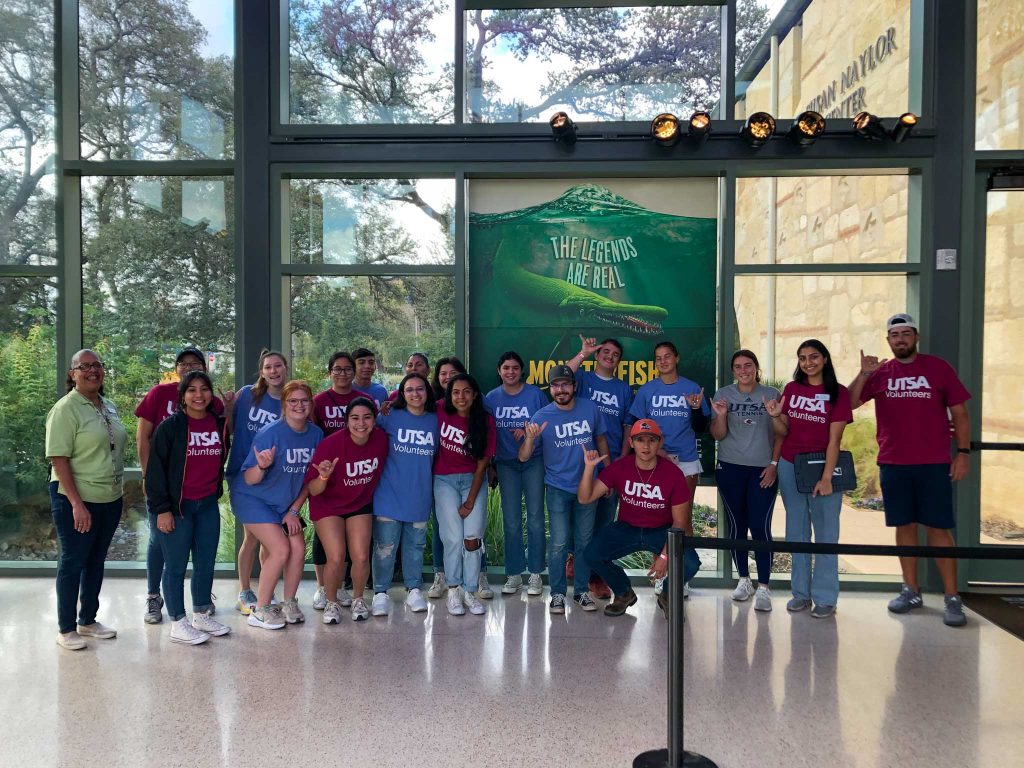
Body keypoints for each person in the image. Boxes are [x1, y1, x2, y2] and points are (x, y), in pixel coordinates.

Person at [848, 313, 972, 627]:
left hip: (933, 463)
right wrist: (863, 374)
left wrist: (963, 454)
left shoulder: (938, 368)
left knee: (937, 529)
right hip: (893, 462)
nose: (900, 339)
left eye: (906, 333)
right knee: (904, 527)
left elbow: (960, 413)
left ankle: (951, 596)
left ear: (915, 337)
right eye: (894, 335)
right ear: (888, 340)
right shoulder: (880, 373)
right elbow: (848, 404)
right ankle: (911, 590)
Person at [136, 346, 228, 625]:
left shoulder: (217, 422)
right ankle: (178, 620)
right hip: (177, 506)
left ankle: (201, 612)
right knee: (174, 564)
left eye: (204, 389)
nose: (198, 395)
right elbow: (155, 467)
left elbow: (222, 453)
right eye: (192, 390)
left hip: (207, 505)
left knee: (205, 562)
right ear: (182, 395)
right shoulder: (170, 427)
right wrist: (161, 507)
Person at [765, 339, 852, 619]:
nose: (808, 362)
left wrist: (827, 477)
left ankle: (826, 597)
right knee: (797, 531)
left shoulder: (837, 393)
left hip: (823, 466)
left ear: (825, 359)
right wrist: (775, 416)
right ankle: (800, 594)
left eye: (813, 357)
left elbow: (834, 440)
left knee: (827, 533)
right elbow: (783, 430)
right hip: (792, 466)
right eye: (802, 358)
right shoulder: (792, 389)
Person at [46, 349, 127, 651]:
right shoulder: (66, 409)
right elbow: (58, 458)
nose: (93, 371)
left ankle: (88, 620)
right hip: (75, 498)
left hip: (109, 496)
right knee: (73, 560)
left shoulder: (108, 406)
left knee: (96, 560)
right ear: (72, 374)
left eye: (97, 365)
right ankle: (66, 628)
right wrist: (77, 504)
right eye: (85, 367)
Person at [520, 364, 609, 614]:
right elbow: (524, 457)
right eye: (556, 385)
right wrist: (529, 438)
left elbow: (601, 439)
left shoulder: (589, 408)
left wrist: (608, 475)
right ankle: (557, 594)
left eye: (565, 384)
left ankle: (581, 591)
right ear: (550, 389)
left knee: (584, 541)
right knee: (559, 543)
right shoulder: (541, 416)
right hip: (558, 488)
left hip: (589, 486)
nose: (561, 389)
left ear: (574, 386)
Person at [579, 419, 693, 617]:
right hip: (628, 528)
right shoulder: (620, 467)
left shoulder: (674, 474)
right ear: (631, 443)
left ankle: (667, 595)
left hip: (661, 529)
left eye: (652, 440)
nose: (646, 446)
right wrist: (589, 468)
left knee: (691, 562)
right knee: (592, 554)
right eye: (640, 440)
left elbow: (680, 522)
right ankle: (624, 593)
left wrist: (665, 556)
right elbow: (585, 497)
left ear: (660, 443)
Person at [233, 380, 323, 629]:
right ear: (284, 405)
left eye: (304, 400)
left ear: (310, 404)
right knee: (281, 548)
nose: (299, 405)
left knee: (297, 545)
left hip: (283, 505)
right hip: (252, 500)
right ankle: (260, 610)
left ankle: (289, 602)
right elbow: (249, 479)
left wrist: (294, 510)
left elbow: (310, 479)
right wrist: (261, 466)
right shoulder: (270, 433)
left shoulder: (316, 435)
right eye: (292, 401)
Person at [710, 350, 782, 612]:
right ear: (733, 371)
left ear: (756, 367)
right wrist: (719, 415)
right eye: (738, 366)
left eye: (748, 365)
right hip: (730, 468)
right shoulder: (723, 395)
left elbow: (781, 434)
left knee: (761, 526)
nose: (743, 370)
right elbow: (717, 436)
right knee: (736, 525)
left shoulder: (772, 394)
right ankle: (744, 580)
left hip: (762, 470)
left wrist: (774, 464)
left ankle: (764, 587)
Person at [306, 397, 388, 625]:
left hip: (359, 503)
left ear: (374, 420)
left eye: (367, 417)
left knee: (361, 555)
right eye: (354, 418)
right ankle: (331, 602)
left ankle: (358, 599)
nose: (361, 423)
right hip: (328, 504)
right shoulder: (331, 445)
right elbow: (313, 489)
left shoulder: (381, 439)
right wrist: (323, 475)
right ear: (346, 421)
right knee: (336, 556)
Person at [568, 335, 634, 598]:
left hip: (611, 460)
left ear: (619, 361)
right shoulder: (583, 379)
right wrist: (583, 352)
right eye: (605, 351)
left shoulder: (624, 389)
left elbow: (628, 426)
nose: (609, 356)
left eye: (615, 354)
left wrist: (621, 460)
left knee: (605, 520)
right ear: (598, 355)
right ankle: (575, 560)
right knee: (581, 514)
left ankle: (598, 576)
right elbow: (562, 375)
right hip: (582, 458)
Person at [370, 373, 439, 620]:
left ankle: (413, 589)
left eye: (420, 389)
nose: (415, 394)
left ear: (427, 392)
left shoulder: (435, 420)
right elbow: (366, 435)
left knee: (415, 547)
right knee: (385, 547)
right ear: (401, 393)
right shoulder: (390, 417)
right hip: (388, 495)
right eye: (409, 390)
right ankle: (380, 592)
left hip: (420, 495)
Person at [226, 350, 288, 614]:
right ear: (262, 372)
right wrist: (227, 406)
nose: (273, 371)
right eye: (268, 367)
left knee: (263, 538)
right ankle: (244, 591)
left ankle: (267, 588)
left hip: (270, 479)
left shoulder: (288, 401)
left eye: (278, 366)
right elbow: (228, 423)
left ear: (286, 368)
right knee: (251, 538)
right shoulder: (248, 394)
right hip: (243, 474)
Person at [310, 351, 371, 611]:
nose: (343, 373)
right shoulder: (319, 401)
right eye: (337, 369)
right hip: (326, 473)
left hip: (355, 475)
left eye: (347, 369)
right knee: (325, 542)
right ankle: (322, 588)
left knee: (353, 546)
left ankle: (342, 587)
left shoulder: (364, 400)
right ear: (330, 372)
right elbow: (312, 433)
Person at [485, 351, 549, 597]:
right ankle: (513, 574)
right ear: (499, 371)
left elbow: (547, 426)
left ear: (521, 370)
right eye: (506, 368)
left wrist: (529, 433)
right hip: (506, 464)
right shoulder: (491, 398)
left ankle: (535, 574)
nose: (510, 372)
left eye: (514, 368)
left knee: (534, 518)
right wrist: (491, 464)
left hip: (534, 461)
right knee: (511, 520)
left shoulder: (535, 395)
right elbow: (488, 433)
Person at [433, 373, 497, 616]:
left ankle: (470, 591)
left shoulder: (485, 421)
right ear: (449, 395)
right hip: (444, 480)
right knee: (451, 537)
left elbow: (482, 465)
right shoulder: (440, 410)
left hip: (473, 481)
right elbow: (412, 401)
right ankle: (453, 590)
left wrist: (470, 501)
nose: (461, 397)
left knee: (472, 538)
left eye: (466, 392)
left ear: (475, 395)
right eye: (456, 392)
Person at [425, 356, 472, 599]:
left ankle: (476, 578)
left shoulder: (474, 405)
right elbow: (403, 402)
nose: (448, 377)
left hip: (468, 475)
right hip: (439, 475)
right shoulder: (432, 404)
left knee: (472, 531)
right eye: (443, 373)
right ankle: (440, 575)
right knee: (444, 529)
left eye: (453, 372)